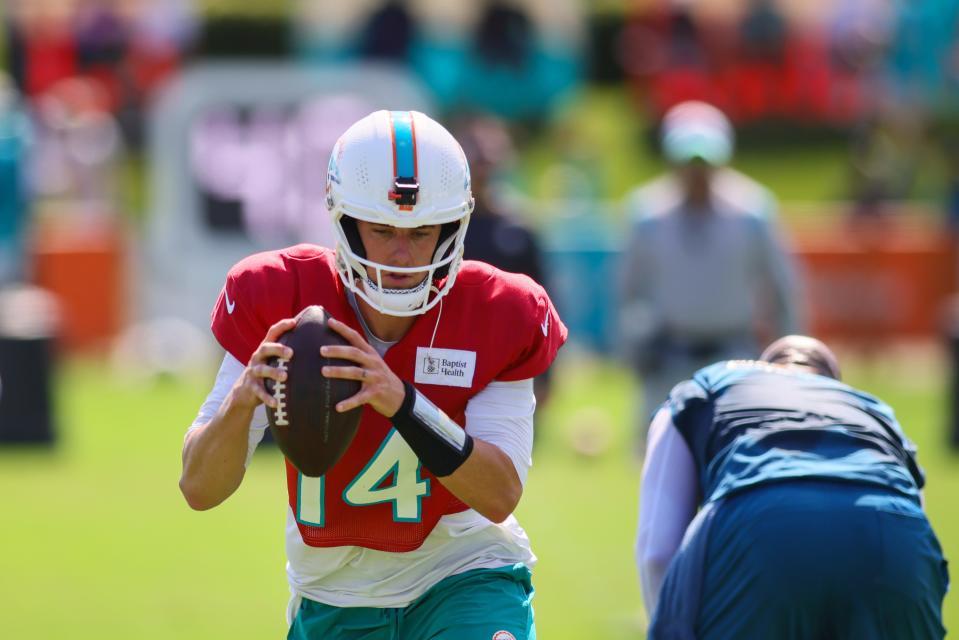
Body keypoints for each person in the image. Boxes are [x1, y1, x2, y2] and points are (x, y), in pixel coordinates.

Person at [179, 110, 567, 639]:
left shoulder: (500, 308)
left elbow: (499, 494)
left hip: (463, 574)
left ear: (454, 227)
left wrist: (401, 401)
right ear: (345, 223)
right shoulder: (280, 298)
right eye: (383, 230)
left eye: (422, 231)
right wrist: (242, 401)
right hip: (334, 594)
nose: (403, 254)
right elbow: (199, 487)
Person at [635, 335, 949, 639]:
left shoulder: (701, 391)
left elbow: (658, 551)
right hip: (895, 538)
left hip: (761, 527)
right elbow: (919, 534)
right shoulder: (878, 413)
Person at [619, 100, 801, 449]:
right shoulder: (647, 217)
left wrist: (790, 359)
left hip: (735, 357)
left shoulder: (752, 214)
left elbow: (782, 290)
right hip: (668, 360)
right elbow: (630, 292)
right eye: (689, 163)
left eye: (705, 163)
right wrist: (634, 347)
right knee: (661, 465)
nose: (697, 173)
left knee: (738, 454)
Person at [457, 115, 553, 408]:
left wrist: (547, 374)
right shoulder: (442, 226)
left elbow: (542, 303)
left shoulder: (519, 227)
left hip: (508, 360)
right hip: (453, 356)